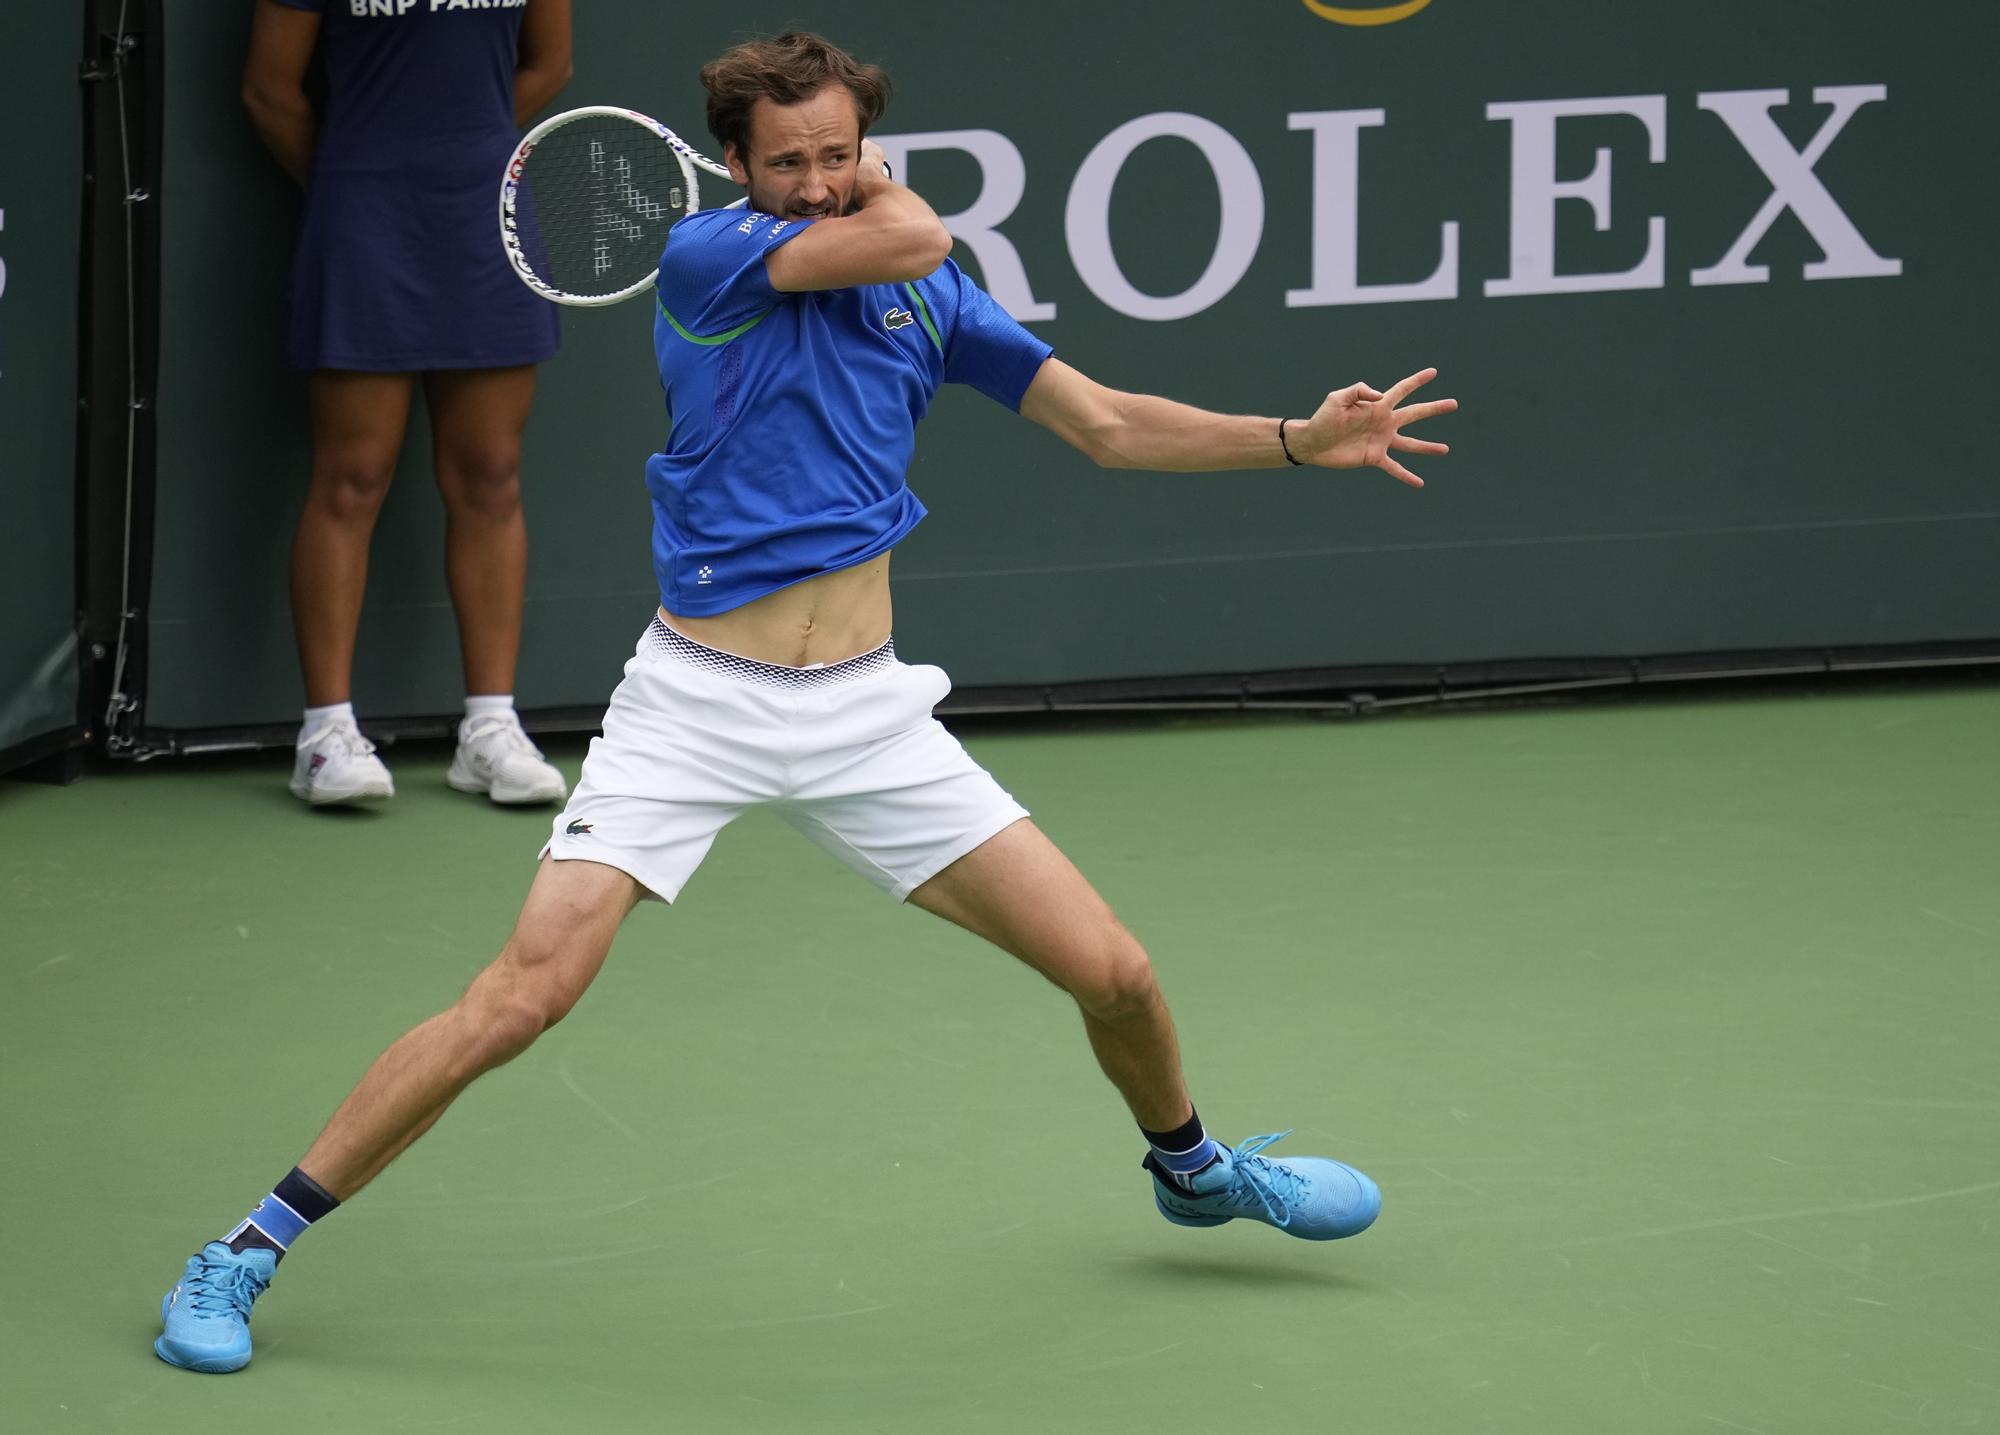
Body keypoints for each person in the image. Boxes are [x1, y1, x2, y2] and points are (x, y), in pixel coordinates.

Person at [156, 31, 1457, 1373]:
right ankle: (242, 1248)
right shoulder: (715, 258)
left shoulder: (926, 290)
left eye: (840, 154)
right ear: (731, 164)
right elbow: (904, 237)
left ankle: (1191, 1166)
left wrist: (1298, 439)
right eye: (793, 161)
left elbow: (1107, 424)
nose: (823, 182)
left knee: (1115, 970)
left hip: (867, 714)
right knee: (520, 998)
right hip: (696, 705)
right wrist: (883, 187)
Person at [241, 0, 575, 809]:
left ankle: (489, 730)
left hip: (488, 211)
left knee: (491, 473)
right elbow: (271, 91)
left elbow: (547, 67)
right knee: (353, 474)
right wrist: (361, 177)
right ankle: (325, 735)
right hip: (364, 209)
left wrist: (460, 156)